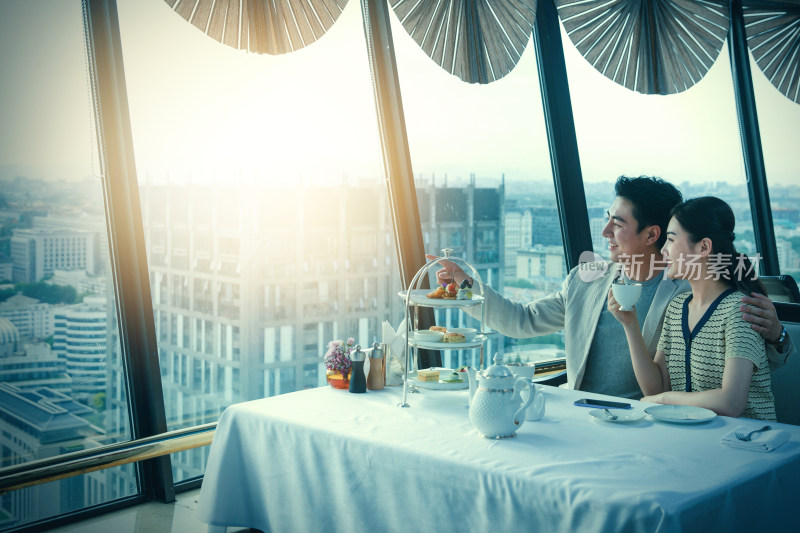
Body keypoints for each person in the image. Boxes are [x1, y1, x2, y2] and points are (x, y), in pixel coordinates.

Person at [428, 176, 794, 399]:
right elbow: (522, 322)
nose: (604, 233)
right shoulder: (587, 280)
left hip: (646, 423)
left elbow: (746, 364)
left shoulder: (692, 291)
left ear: (652, 234)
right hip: (581, 415)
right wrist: (465, 285)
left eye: (617, 224)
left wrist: (777, 336)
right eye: (607, 220)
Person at [608, 196, 776, 419]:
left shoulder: (740, 310)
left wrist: (665, 400)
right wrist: (630, 324)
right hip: (694, 436)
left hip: (744, 441)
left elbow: (731, 402)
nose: (664, 249)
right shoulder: (677, 308)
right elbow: (656, 388)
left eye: (670, 239)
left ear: (704, 247)